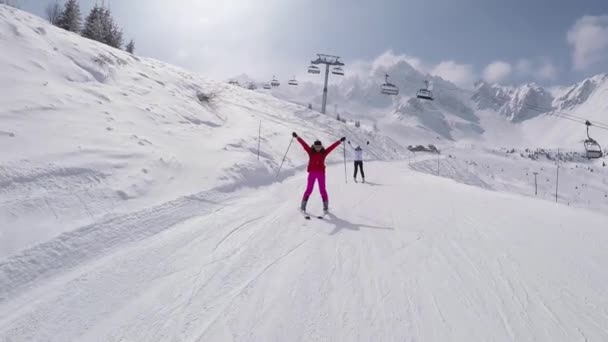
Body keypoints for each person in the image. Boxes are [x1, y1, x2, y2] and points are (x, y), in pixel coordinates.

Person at [292, 132, 345, 213]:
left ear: (321, 146)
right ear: (314, 146)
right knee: (309, 189)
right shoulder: (310, 152)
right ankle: (303, 206)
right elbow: (304, 144)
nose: (318, 148)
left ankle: (325, 207)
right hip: (312, 173)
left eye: (319, 147)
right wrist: (297, 137)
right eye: (316, 146)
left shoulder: (324, 153)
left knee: (322, 190)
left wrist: (340, 141)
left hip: (321, 174)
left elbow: (331, 147)